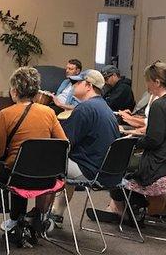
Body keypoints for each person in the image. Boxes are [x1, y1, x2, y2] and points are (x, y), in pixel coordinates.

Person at [88, 62, 166, 223]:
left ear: (157, 82)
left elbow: (154, 139)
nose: (146, 84)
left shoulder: (159, 105)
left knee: (115, 164)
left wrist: (133, 143)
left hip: (156, 165)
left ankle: (121, 208)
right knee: (123, 163)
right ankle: (128, 204)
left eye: (148, 81)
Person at [0, 67, 67, 233]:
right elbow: (64, 144)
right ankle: (32, 217)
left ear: (15, 91)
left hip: (17, 178)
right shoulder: (49, 113)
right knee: (23, 164)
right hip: (46, 178)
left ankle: (13, 218)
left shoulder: (5, 114)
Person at [50, 69, 120, 228]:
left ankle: (39, 216)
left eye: (77, 82)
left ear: (88, 85)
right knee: (63, 162)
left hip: (89, 170)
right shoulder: (105, 108)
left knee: (47, 161)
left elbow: (64, 143)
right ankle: (56, 214)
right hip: (104, 170)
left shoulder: (84, 109)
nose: (72, 85)